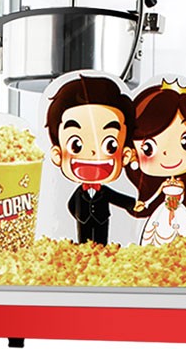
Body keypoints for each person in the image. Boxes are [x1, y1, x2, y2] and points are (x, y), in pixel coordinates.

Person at [46, 75, 142, 245]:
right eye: (76, 145)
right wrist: (79, 215)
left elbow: (117, 198)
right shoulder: (79, 192)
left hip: (102, 220)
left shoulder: (104, 191)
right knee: (83, 241)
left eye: (110, 145)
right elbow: (70, 204)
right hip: (83, 220)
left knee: (101, 241)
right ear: (57, 154)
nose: (92, 152)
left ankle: (101, 251)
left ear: (125, 155)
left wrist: (133, 204)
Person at [126, 79, 186, 246]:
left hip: (179, 212)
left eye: (185, 143)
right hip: (163, 212)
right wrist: (144, 203)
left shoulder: (182, 184)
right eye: (148, 149)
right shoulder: (164, 184)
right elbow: (156, 195)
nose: (168, 154)